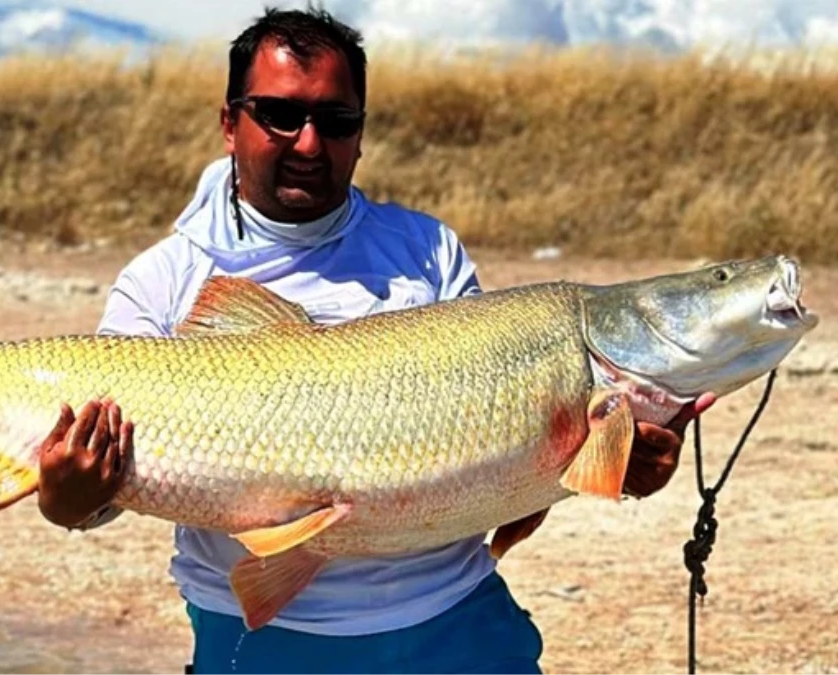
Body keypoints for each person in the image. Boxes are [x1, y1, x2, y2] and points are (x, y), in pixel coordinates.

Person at [35, 7, 713, 674]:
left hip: (454, 617)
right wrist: (71, 502)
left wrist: (619, 465)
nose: (308, 143)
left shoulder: (425, 251)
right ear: (228, 123)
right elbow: (98, 487)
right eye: (279, 114)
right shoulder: (162, 282)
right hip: (260, 634)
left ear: (360, 133)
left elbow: (510, 450)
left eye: (336, 122)